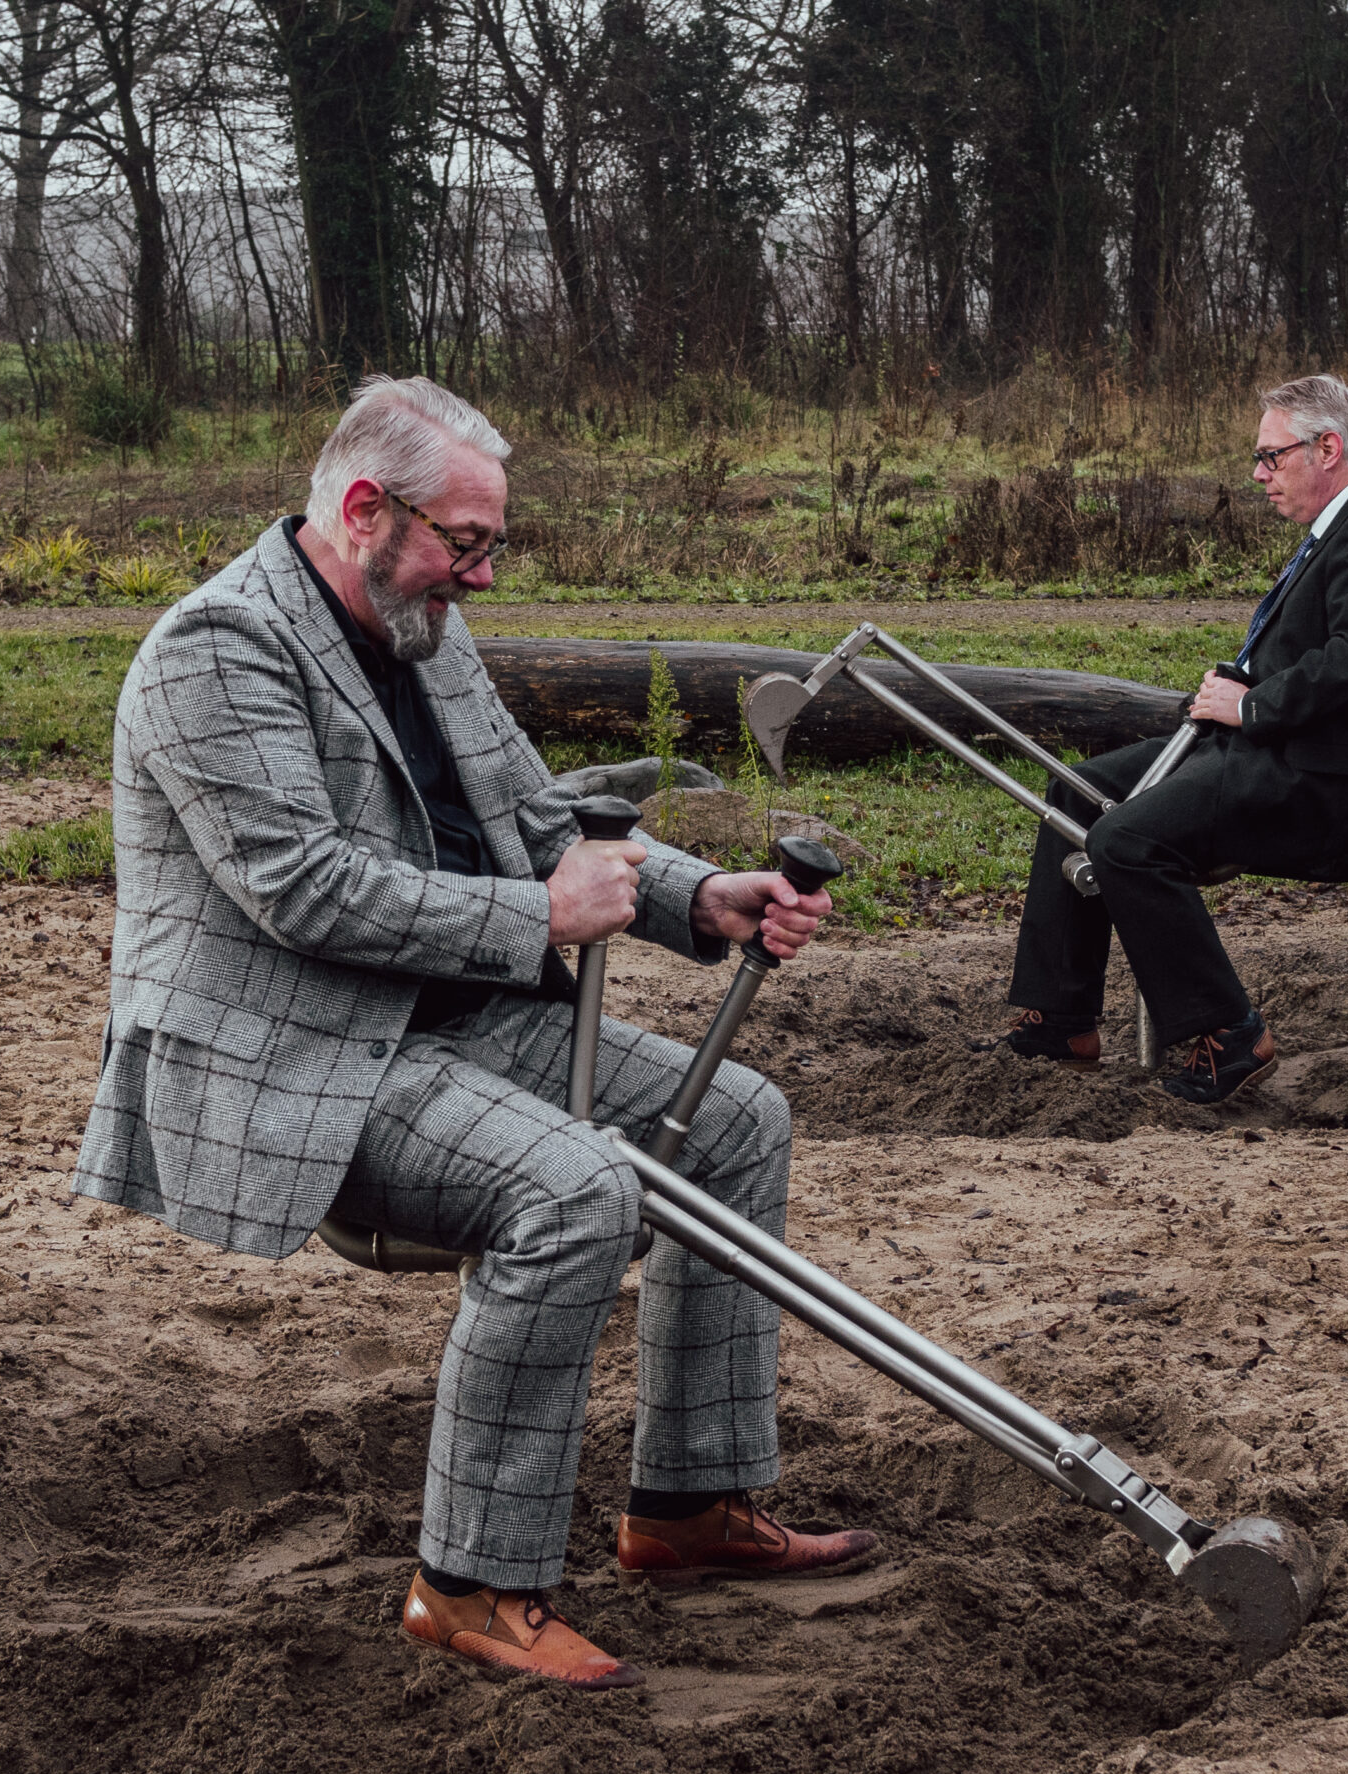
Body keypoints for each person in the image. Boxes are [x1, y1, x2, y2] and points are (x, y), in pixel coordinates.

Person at [73, 375, 876, 1692]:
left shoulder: (422, 629)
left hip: (447, 1022)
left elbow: (539, 815)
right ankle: (469, 1586)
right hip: (298, 1058)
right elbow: (302, 889)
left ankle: (689, 1505)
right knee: (575, 1187)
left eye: (492, 544)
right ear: (364, 509)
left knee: (739, 1119)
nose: (484, 574)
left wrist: (699, 898)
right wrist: (539, 916)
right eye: (465, 542)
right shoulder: (215, 649)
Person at [999, 374, 1348, 1102]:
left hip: (1327, 778)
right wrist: (1233, 691)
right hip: (1278, 746)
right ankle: (1062, 1021)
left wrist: (1254, 706)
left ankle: (1231, 1034)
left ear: (1327, 449)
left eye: (1272, 457)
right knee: (1076, 793)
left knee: (1125, 840)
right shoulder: (1347, 525)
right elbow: (1319, 650)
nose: (1259, 474)